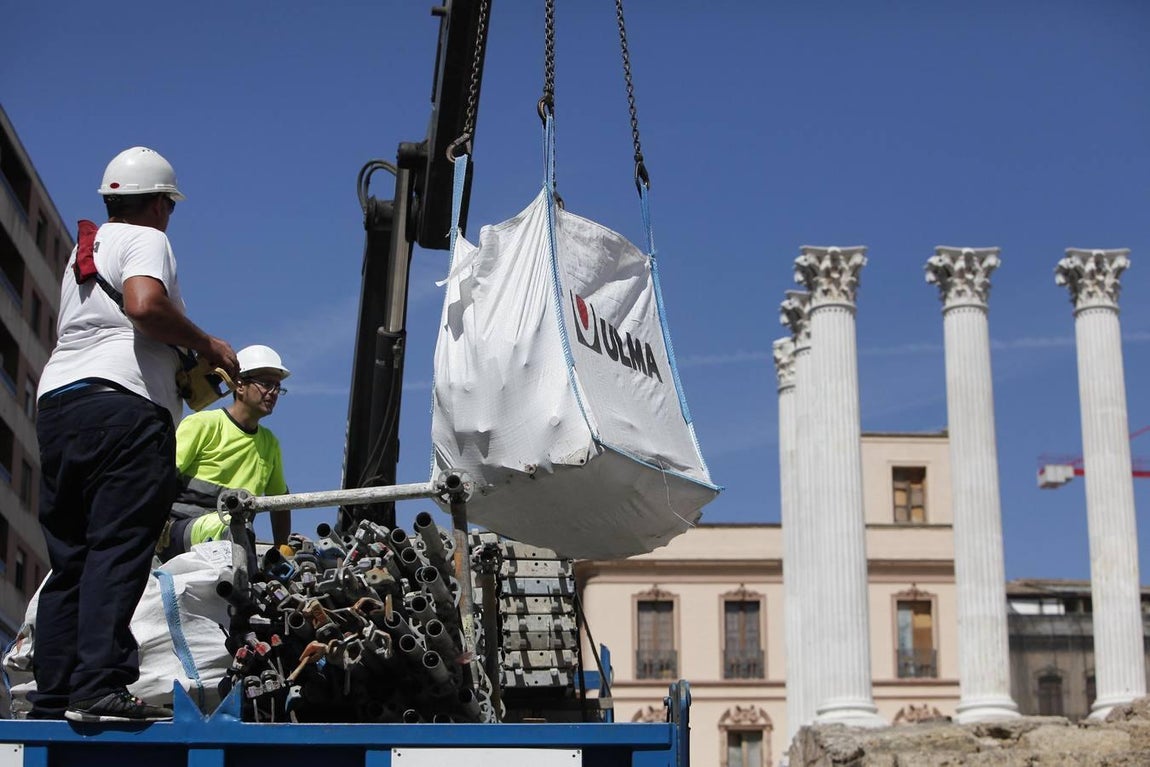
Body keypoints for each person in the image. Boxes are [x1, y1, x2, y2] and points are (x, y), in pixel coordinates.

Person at [31, 147, 239, 723]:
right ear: (157, 203)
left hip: (59, 405)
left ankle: (54, 694)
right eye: (169, 206)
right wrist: (208, 346)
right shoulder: (146, 237)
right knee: (119, 547)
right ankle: (98, 685)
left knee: (70, 557)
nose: (169, 216)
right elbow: (145, 307)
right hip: (124, 410)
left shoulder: (83, 253)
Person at [158, 345, 293, 560]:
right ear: (239, 385)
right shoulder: (203, 424)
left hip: (231, 531)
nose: (274, 392)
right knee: (235, 526)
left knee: (237, 527)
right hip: (178, 531)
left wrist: (283, 549)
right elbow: (161, 477)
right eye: (267, 384)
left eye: (278, 387)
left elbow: (280, 502)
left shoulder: (270, 444)